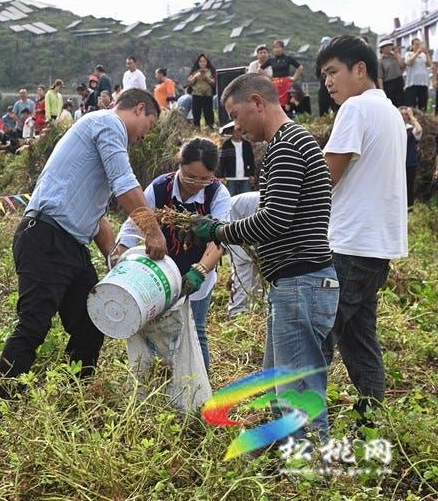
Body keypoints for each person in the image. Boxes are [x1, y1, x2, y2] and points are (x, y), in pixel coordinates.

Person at [191, 72, 337, 442]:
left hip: (301, 282)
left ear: (258, 102)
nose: (235, 124)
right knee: (280, 384)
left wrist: (220, 232)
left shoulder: (286, 145)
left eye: (236, 114)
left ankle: (309, 471)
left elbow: (274, 220)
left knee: (297, 391)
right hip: (296, 284)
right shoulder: (290, 142)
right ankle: (291, 465)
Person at [0, 88, 167, 396]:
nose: (145, 136)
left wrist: (114, 257)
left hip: (71, 245)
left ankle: (75, 396)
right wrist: (152, 231)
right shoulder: (107, 123)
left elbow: (97, 215)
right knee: (34, 323)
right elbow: (125, 184)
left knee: (90, 324)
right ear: (139, 109)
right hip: (46, 237)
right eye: (150, 126)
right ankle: (1, 401)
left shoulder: (101, 133)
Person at [317, 36, 408, 429]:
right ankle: (370, 422)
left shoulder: (355, 108)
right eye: (323, 76)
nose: (328, 83)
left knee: (316, 337)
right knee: (359, 340)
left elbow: (325, 177)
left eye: (333, 72)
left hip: (349, 245)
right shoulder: (390, 112)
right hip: (377, 247)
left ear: (360, 69)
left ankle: (302, 432)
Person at [117, 137, 230, 374]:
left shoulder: (217, 193)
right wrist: (121, 267)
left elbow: (220, 240)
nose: (195, 184)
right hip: (160, 275)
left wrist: (199, 271)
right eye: (189, 176)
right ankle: (160, 382)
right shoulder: (160, 188)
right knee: (156, 330)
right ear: (179, 164)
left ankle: (199, 391)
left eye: (203, 179)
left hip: (197, 274)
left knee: (194, 331)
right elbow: (132, 227)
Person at [226, 191, 263, 318]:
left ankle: (258, 309)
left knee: (258, 267)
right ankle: (237, 312)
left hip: (249, 224)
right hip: (234, 220)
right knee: (244, 266)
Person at [216, 121, 256, 196]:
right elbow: (222, 161)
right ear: (232, 132)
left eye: (239, 131)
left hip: (245, 176)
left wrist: (252, 174)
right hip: (231, 177)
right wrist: (221, 176)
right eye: (235, 131)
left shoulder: (247, 145)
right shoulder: (227, 144)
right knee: (230, 198)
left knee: (246, 197)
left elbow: (251, 161)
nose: (237, 133)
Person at [261, 40, 304, 107]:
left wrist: (294, 78)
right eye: (274, 47)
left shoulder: (288, 58)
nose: (276, 49)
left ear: (283, 48)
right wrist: (270, 77)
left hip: (286, 83)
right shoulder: (271, 60)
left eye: (278, 47)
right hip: (275, 84)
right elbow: (260, 69)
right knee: (276, 103)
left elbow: (300, 67)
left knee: (289, 103)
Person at [399, 105, 423, 208]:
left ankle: (409, 207)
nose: (404, 116)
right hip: (398, 162)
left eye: (405, 114)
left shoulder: (410, 129)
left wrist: (412, 116)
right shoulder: (395, 128)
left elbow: (419, 130)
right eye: (402, 114)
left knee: (409, 186)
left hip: (409, 162)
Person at [188, 54, 217, 129]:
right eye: (200, 61)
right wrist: (196, 76)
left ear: (207, 62)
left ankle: (210, 129)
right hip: (196, 95)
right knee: (196, 114)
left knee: (209, 114)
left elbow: (214, 83)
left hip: (207, 95)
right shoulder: (195, 72)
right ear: (198, 62)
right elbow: (190, 83)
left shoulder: (211, 71)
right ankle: (196, 129)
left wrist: (207, 78)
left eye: (204, 61)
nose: (202, 63)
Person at [404, 37, 432, 111]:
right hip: (412, 83)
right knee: (411, 105)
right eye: (416, 44)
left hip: (423, 83)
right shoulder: (409, 54)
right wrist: (417, 53)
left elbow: (429, 64)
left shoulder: (423, 55)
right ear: (412, 46)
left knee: (423, 105)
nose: (418, 46)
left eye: (419, 45)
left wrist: (426, 53)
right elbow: (409, 63)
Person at [377, 40, 406, 108]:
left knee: (401, 103)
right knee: (392, 103)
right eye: (386, 46)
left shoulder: (394, 57)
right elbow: (380, 76)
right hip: (389, 83)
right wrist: (382, 89)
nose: (388, 48)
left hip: (398, 81)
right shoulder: (381, 60)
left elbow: (402, 65)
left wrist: (397, 54)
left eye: (389, 46)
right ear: (382, 49)